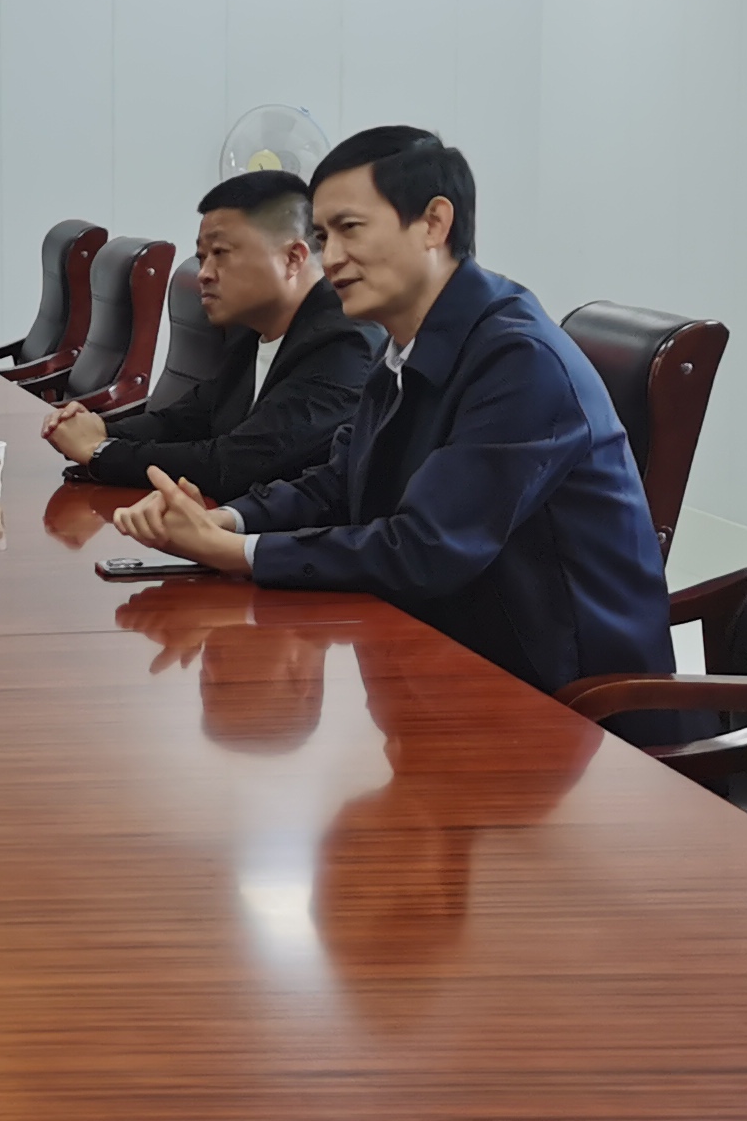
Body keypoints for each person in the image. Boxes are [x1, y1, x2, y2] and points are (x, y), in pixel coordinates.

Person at [107, 125, 670, 699]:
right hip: (446, 664)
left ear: (433, 223)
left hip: (573, 705)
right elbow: (339, 482)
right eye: (323, 236)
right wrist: (226, 521)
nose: (331, 258)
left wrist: (240, 554)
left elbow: (426, 548)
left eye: (350, 228)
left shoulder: (519, 360)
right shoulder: (404, 346)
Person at [47, 169, 372, 499]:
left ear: (292, 258)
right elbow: (188, 419)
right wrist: (103, 429)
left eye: (220, 253)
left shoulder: (344, 344)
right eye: (202, 257)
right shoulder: (251, 331)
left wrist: (101, 451)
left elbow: (235, 465)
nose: (204, 274)